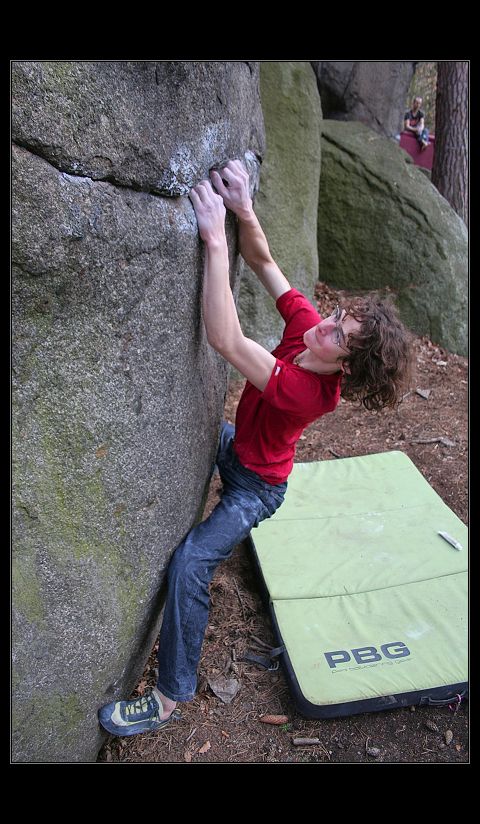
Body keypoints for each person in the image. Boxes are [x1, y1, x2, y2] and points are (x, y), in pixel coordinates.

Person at [98, 159, 412, 737]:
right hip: (233, 444)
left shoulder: (313, 393)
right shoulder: (310, 329)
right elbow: (267, 263)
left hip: (256, 487)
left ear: (349, 363)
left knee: (192, 562)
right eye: (338, 318)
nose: (326, 328)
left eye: (339, 336)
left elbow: (225, 338)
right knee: (208, 438)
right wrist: (242, 206)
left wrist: (216, 239)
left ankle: (170, 695)